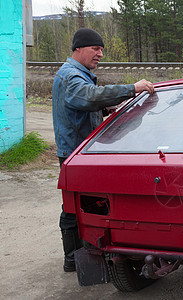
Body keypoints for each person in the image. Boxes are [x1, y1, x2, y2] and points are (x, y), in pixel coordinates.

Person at [52, 28, 154, 272]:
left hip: (78, 152)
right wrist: (132, 88)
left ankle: (80, 258)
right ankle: (76, 260)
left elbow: (82, 106)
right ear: (78, 48)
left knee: (81, 205)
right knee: (76, 207)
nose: (99, 54)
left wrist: (107, 110)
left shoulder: (78, 74)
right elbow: (88, 97)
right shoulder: (71, 76)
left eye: (101, 50)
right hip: (75, 154)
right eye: (95, 49)